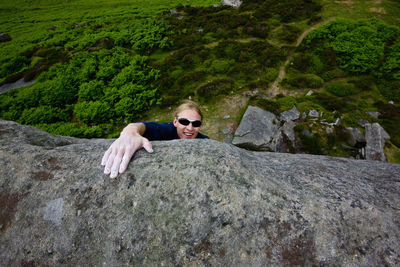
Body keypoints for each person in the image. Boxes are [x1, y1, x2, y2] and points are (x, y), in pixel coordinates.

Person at [101, 100, 209, 178]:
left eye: (195, 123)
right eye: (184, 122)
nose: (190, 128)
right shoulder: (166, 130)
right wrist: (129, 133)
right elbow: (144, 126)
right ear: (175, 122)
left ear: (200, 126)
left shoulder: (206, 142)